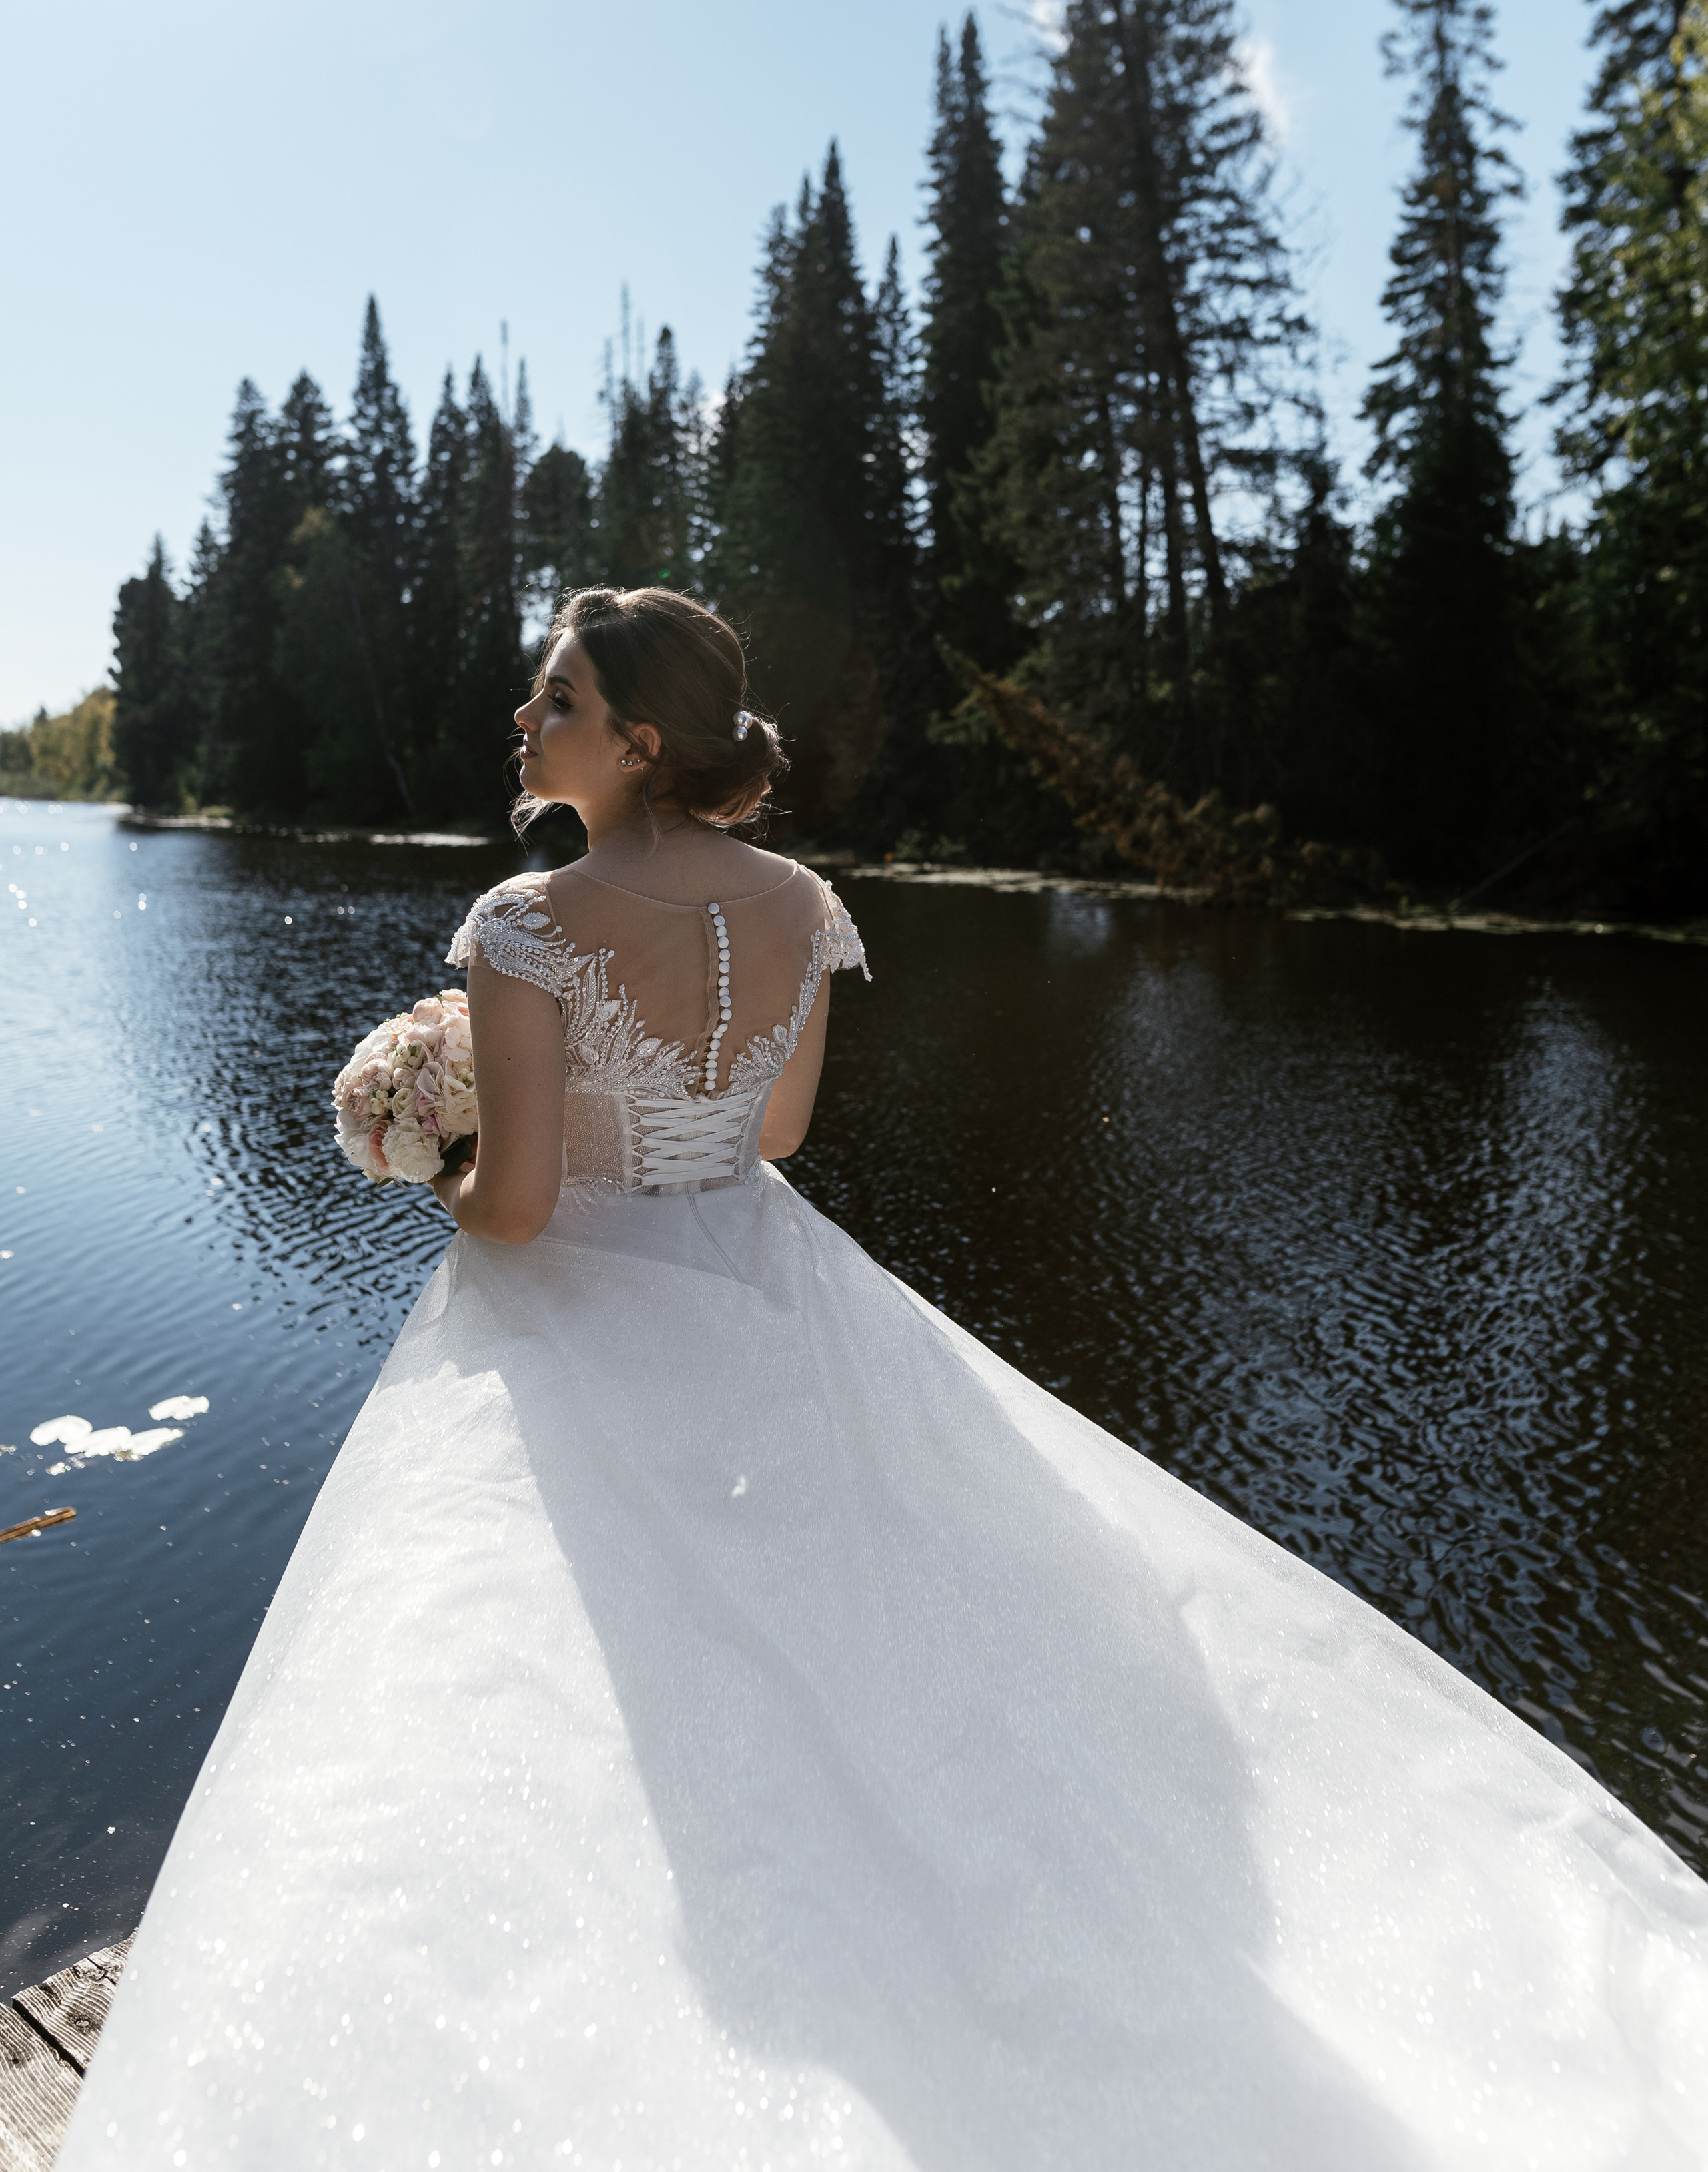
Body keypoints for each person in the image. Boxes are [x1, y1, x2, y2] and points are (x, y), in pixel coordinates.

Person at [63, 589, 1708, 2170]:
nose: (523, 717)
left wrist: (429, 1157)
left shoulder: (523, 925)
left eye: (553, 697)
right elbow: (772, 1138)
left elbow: (524, 1204)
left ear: (634, 742)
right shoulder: (800, 902)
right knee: (840, 1627)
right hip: (768, 1280)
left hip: (580, 1311)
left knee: (557, 1662)